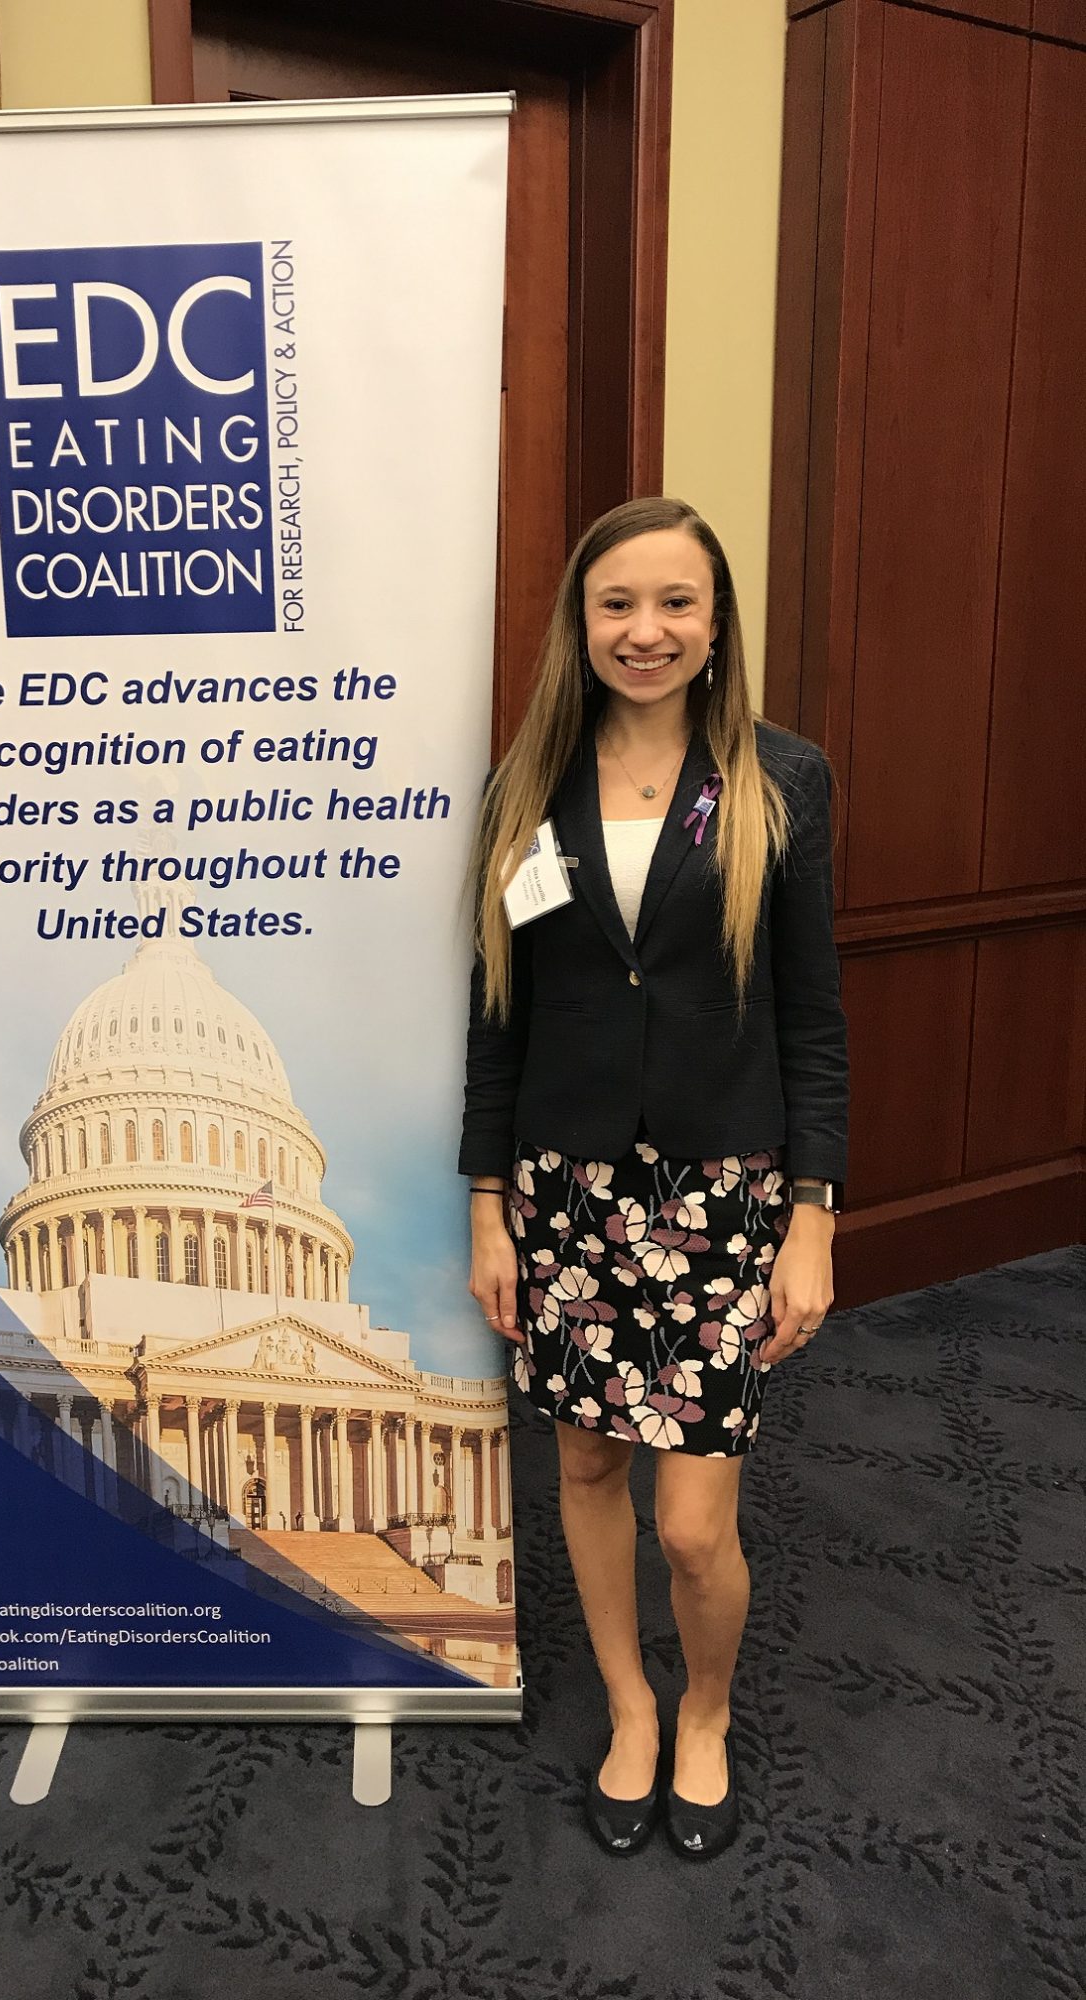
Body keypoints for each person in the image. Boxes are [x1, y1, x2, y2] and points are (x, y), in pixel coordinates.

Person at [461, 496, 848, 1861]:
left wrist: (814, 1215)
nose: (646, 629)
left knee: (689, 1525)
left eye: (675, 601)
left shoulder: (779, 780)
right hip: (565, 1194)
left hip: (720, 1199)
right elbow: (498, 1015)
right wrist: (487, 1205)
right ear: (580, 623)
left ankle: (706, 1710)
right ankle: (631, 1706)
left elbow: (813, 1018)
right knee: (584, 1464)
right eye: (616, 603)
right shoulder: (527, 785)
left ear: (715, 619)